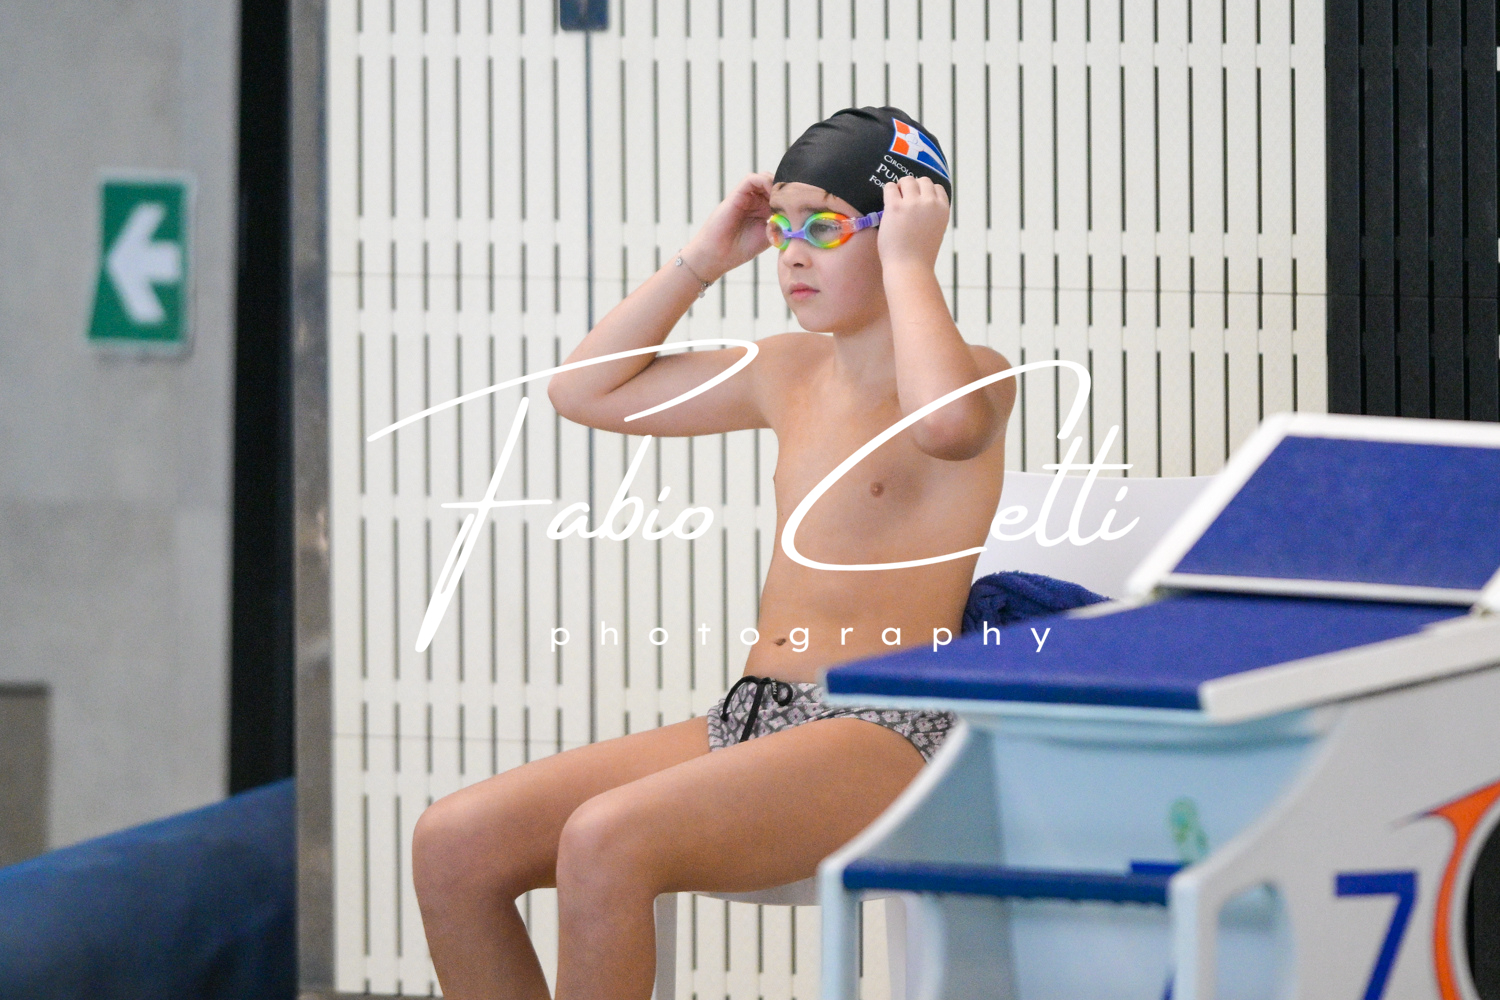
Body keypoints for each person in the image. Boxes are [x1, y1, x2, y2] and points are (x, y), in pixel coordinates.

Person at [411, 106, 1016, 1000]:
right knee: (452, 843)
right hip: (753, 717)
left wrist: (911, 266)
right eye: (781, 229)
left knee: (604, 839)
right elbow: (581, 391)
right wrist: (703, 260)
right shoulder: (785, 371)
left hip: (891, 731)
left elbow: (948, 426)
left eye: (824, 227)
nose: (793, 254)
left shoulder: (979, 373)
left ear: (901, 227)